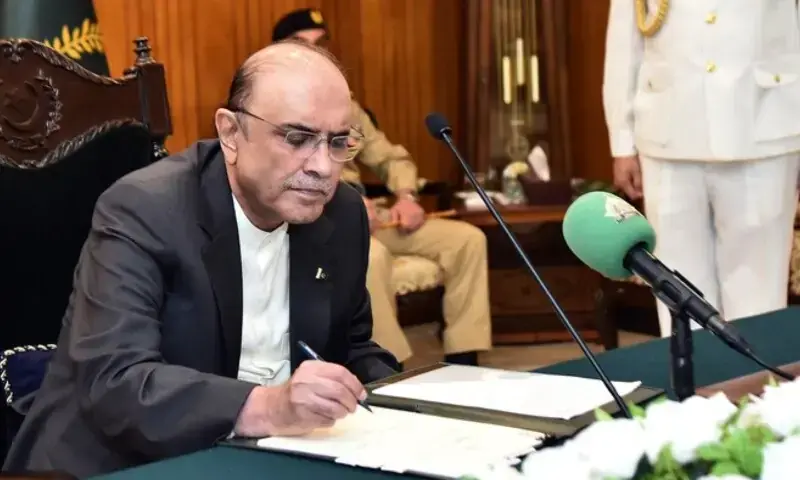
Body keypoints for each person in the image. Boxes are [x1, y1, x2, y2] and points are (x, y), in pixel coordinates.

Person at [3, 41, 398, 478]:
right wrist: (267, 405)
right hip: (120, 460)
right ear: (231, 133)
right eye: (298, 138)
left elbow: (352, 347)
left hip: (277, 451)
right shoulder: (145, 209)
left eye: (339, 142)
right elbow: (115, 380)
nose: (323, 166)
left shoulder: (341, 215)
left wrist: (420, 405)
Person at [271, 9, 493, 366]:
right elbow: (279, 179)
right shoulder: (272, 106)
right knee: (369, 257)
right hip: (314, 224)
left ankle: (463, 362)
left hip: (371, 217)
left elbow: (390, 158)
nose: (315, 55)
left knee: (467, 240)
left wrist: (406, 196)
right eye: (301, 45)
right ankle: (389, 372)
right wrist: (344, 205)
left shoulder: (345, 105)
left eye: (320, 45)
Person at [603, 0, 800, 337]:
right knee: (678, 288)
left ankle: (756, 385)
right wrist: (622, 141)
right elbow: (625, 40)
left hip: (761, 125)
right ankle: (693, 387)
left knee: (758, 291)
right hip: (668, 132)